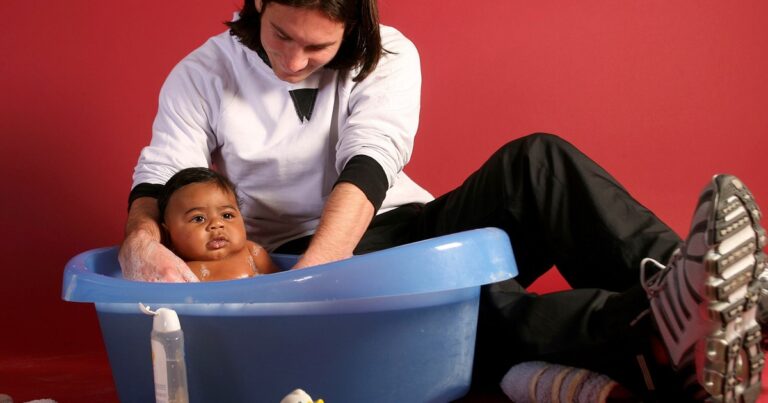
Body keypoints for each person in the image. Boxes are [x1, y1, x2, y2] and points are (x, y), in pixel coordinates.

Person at [118, 0, 767, 401]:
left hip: (391, 224)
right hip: (297, 257)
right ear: (258, 0)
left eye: (317, 46)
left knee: (537, 160)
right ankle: (661, 327)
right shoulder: (203, 73)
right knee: (469, 305)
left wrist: (322, 273)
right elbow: (161, 173)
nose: (293, 60)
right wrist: (142, 242)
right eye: (282, 35)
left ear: (354, 23)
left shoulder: (390, 53)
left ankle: (700, 287)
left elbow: (370, 161)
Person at [158, 167, 280, 281]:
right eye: (199, 218)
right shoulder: (172, 268)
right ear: (168, 233)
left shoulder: (252, 253)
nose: (216, 224)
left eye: (227, 215)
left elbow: (278, 285)